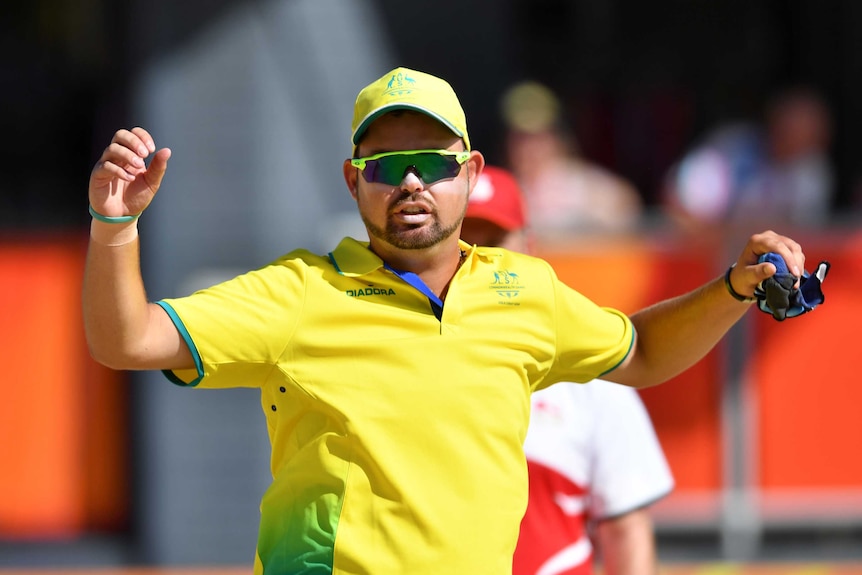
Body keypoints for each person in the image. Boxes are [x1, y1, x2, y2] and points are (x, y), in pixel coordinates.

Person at [84, 66, 807, 574]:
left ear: (469, 170)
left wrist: (734, 288)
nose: (409, 182)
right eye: (384, 164)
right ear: (351, 179)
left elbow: (642, 350)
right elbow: (127, 339)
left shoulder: (525, 289)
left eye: (431, 162)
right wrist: (114, 225)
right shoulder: (301, 290)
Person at [462, 166, 674, 575]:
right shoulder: (408, 355)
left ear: (530, 245)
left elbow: (626, 529)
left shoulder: (594, 371)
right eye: (466, 241)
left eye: (496, 241)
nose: (481, 257)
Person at [661, 86, 834, 228]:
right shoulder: (730, 150)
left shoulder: (814, 169)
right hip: (712, 259)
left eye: (808, 131)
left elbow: (805, 232)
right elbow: (679, 202)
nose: (795, 134)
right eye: (790, 125)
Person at [500, 81, 644, 234]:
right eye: (520, 139)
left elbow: (626, 206)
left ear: (556, 138)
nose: (528, 149)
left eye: (537, 139)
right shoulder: (502, 189)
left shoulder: (586, 186)